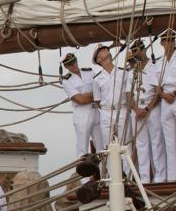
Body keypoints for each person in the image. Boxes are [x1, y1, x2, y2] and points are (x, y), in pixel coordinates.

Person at [127, 40, 168, 183]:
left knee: (157, 143)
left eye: (138, 51)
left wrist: (147, 109)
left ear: (143, 50)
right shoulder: (132, 72)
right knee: (141, 145)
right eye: (134, 52)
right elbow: (128, 94)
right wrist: (136, 109)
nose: (136, 54)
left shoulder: (155, 67)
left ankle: (160, 177)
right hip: (137, 110)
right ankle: (144, 179)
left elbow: (159, 92)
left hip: (152, 108)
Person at [92, 43, 132, 174]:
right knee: (108, 146)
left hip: (122, 110)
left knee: (126, 145)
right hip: (106, 112)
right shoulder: (97, 79)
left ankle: (129, 178)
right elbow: (98, 101)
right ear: (98, 60)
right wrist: (107, 110)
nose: (106, 51)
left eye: (106, 50)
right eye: (102, 51)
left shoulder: (123, 73)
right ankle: (111, 179)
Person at [61, 52, 105, 158]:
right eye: (70, 64)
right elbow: (80, 100)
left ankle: (105, 173)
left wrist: (87, 96)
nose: (74, 65)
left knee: (102, 147)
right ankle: (82, 174)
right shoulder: (66, 80)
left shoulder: (89, 72)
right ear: (66, 66)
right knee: (82, 149)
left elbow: (101, 90)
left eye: (74, 62)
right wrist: (95, 94)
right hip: (82, 114)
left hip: (96, 111)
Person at [158, 29, 176, 181]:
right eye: (166, 41)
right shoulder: (159, 62)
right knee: (169, 141)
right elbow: (156, 85)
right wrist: (163, 95)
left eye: (172, 40)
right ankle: (173, 177)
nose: (169, 43)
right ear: (161, 43)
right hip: (165, 100)